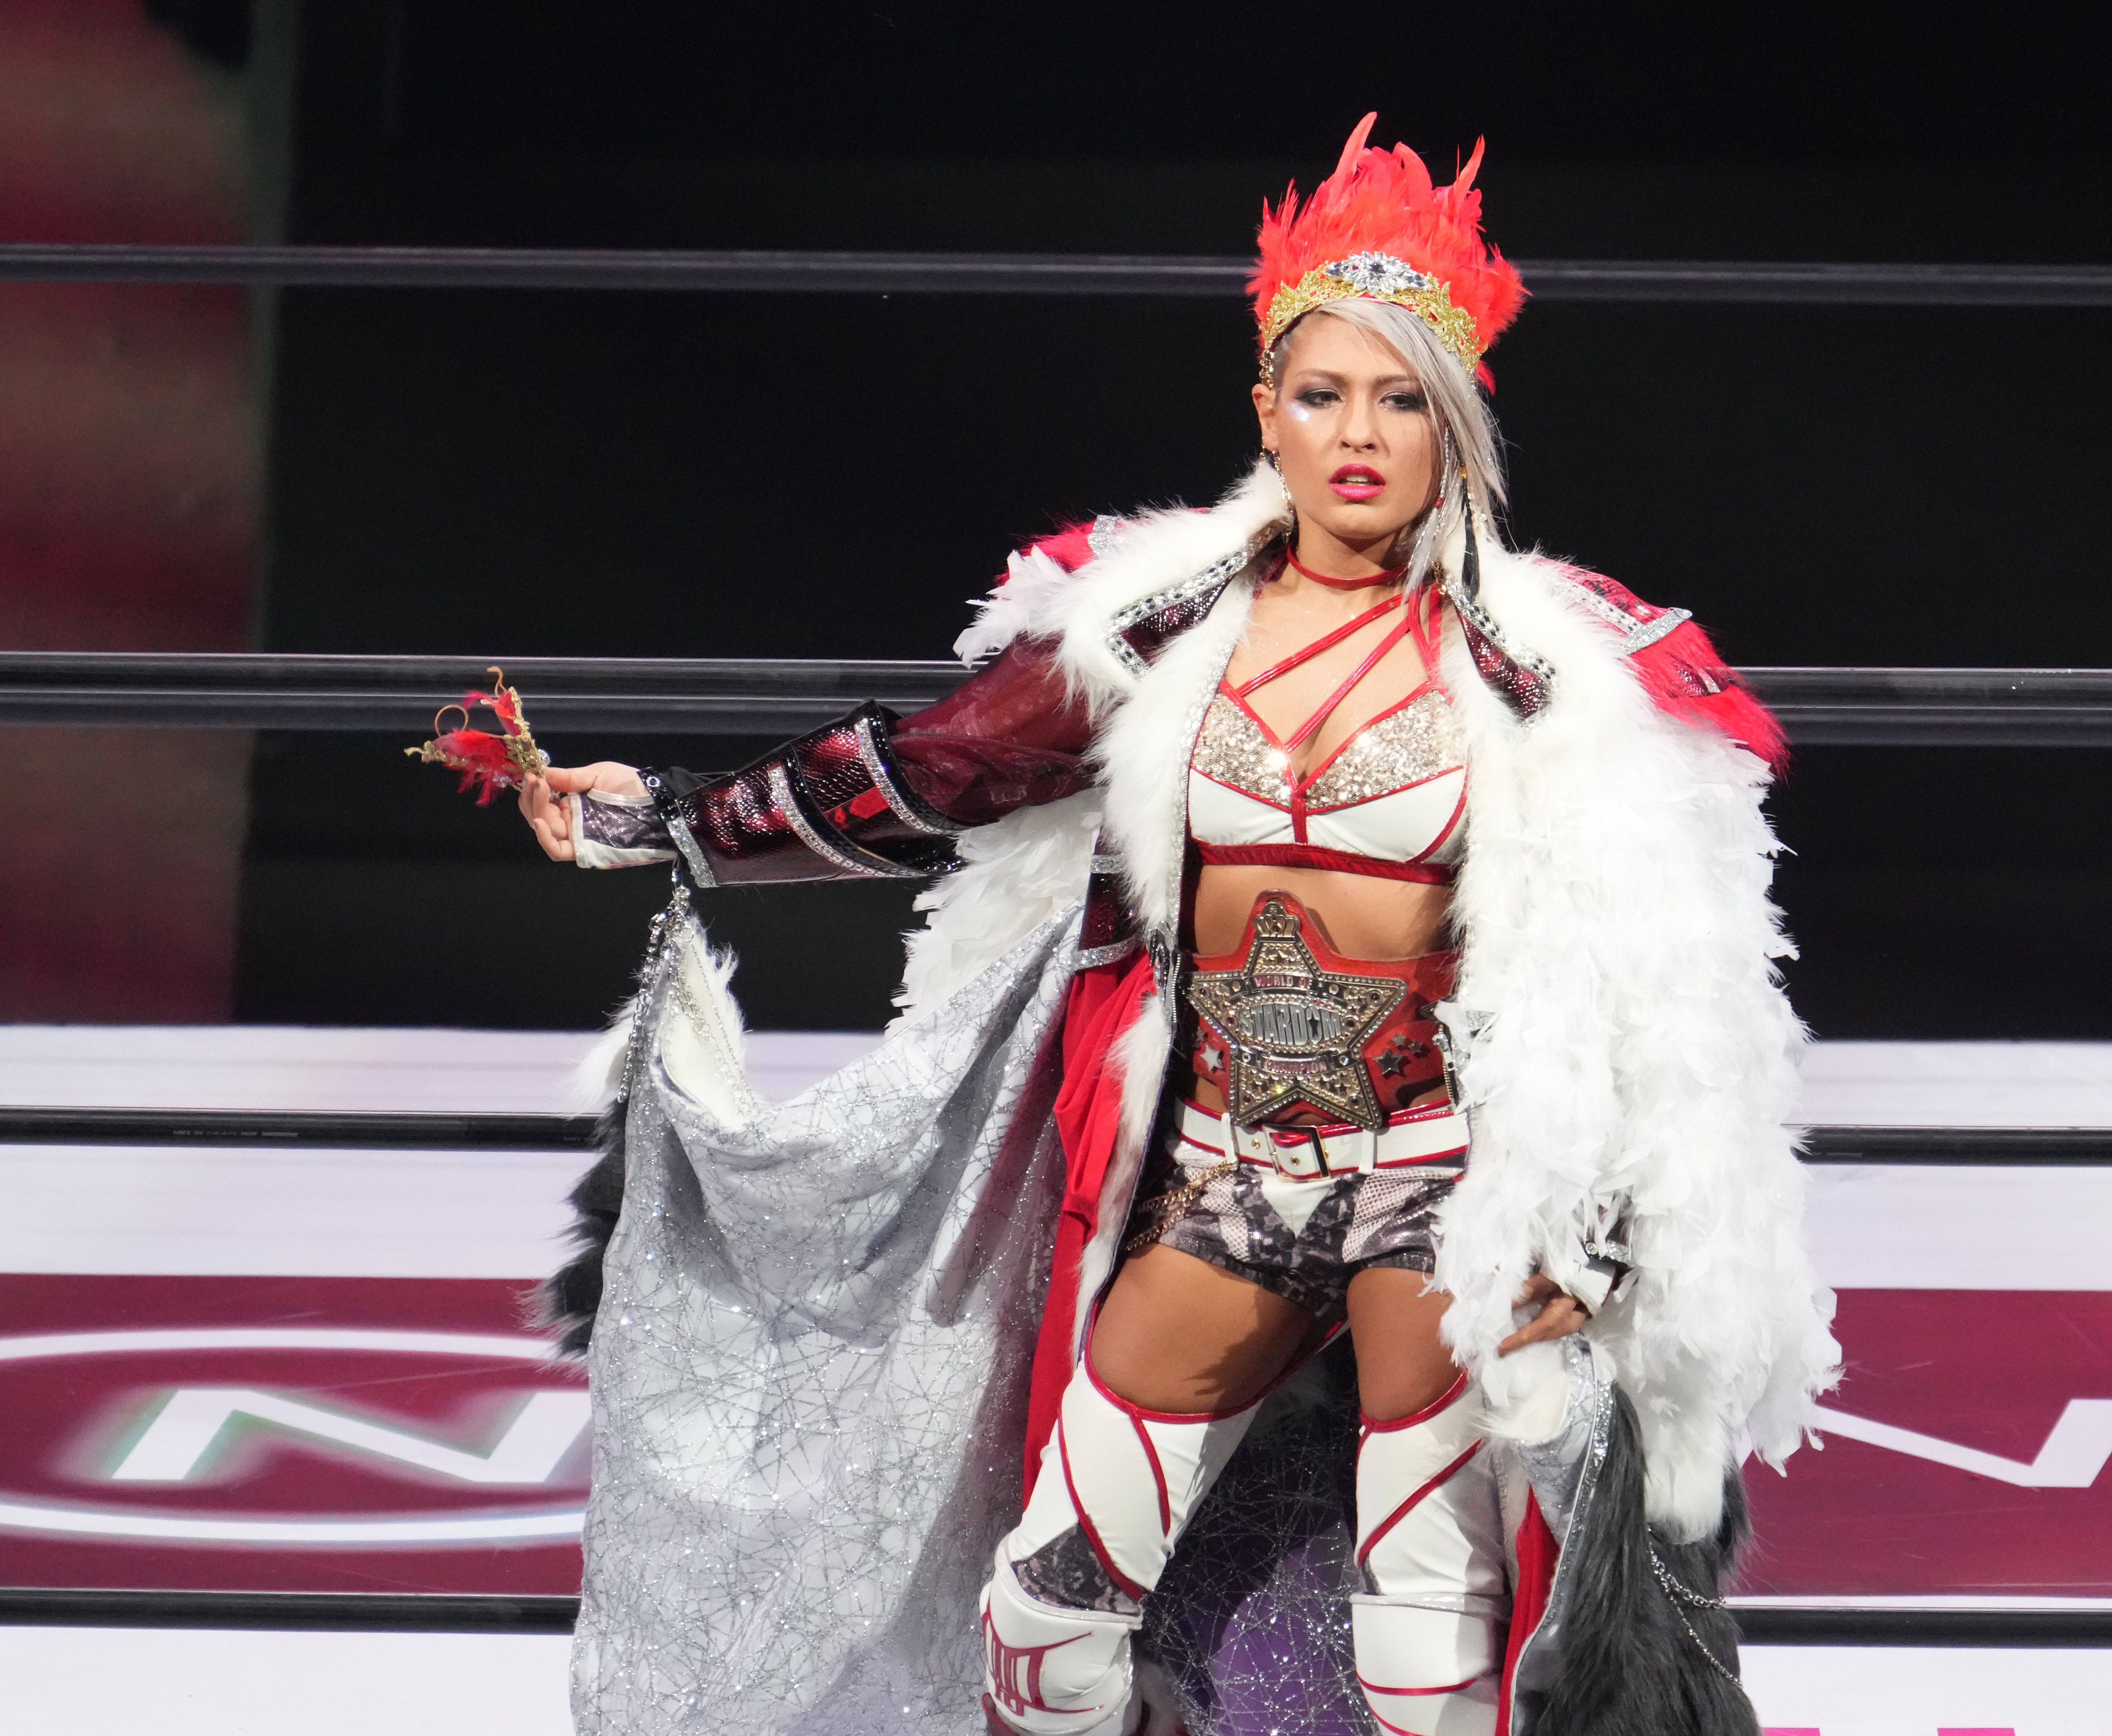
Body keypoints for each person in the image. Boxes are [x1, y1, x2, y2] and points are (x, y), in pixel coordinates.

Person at [501, 114, 1836, 1736]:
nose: (1359, 435)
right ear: (1265, 409)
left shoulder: (1557, 672)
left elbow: (1662, 988)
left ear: (1456, 421)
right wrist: (670, 817)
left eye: (1401, 398)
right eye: (1322, 394)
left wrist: (1602, 1225)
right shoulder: (1152, 624)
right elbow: (938, 772)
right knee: (1041, 1614)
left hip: (1438, 1196)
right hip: (1219, 1174)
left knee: (1426, 1649)